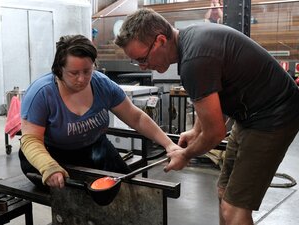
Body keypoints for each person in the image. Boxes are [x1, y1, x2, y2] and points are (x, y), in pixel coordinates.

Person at [115, 8, 299, 225]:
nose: (143, 66)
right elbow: (215, 93)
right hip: (250, 115)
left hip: (274, 117)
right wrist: (196, 131)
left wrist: (185, 155)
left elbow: (215, 133)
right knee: (224, 191)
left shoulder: (194, 61)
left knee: (234, 208)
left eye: (142, 58)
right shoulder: (191, 39)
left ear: (160, 40)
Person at [19, 34, 180, 190]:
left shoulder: (102, 84)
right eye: (73, 73)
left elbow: (136, 118)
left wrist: (169, 144)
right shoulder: (42, 93)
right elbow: (31, 140)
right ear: (59, 69)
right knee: (76, 199)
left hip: (94, 149)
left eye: (87, 71)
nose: (82, 79)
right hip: (50, 155)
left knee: (125, 190)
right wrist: (49, 167)